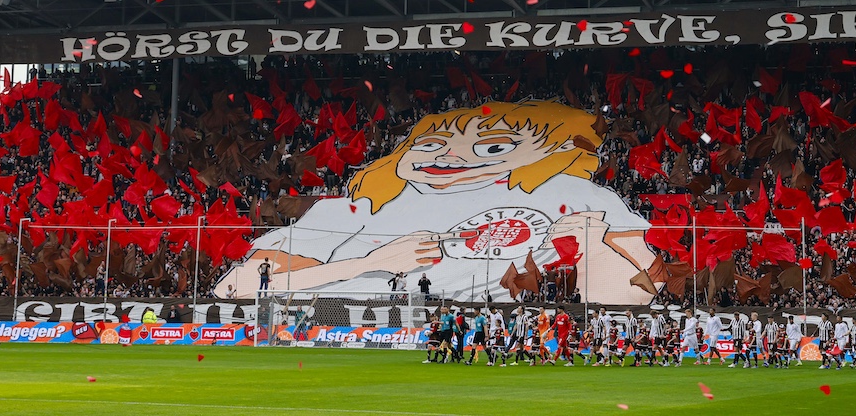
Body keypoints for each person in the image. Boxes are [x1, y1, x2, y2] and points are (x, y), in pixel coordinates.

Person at [219, 102, 655, 303]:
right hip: (340, 329)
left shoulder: (578, 196)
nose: (451, 155)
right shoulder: (355, 208)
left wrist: (596, 248)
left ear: (545, 151)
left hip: (476, 326)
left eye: (493, 146)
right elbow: (232, 289)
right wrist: (371, 262)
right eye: (432, 143)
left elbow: (638, 294)